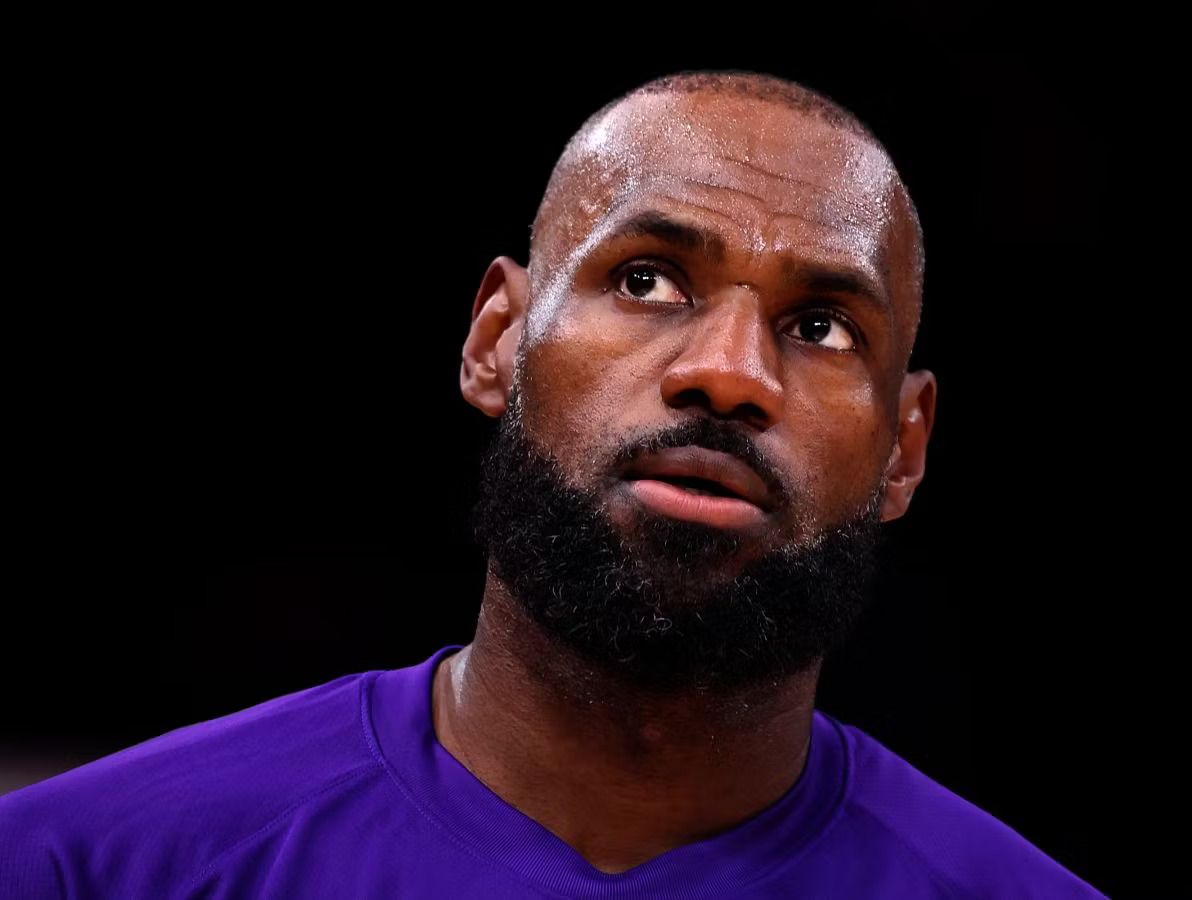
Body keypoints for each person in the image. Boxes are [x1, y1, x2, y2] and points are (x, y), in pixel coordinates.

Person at [0, 70, 1106, 898]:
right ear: (497, 341)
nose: (727, 374)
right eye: (649, 279)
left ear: (904, 447)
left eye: (820, 326)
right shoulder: (76, 867)